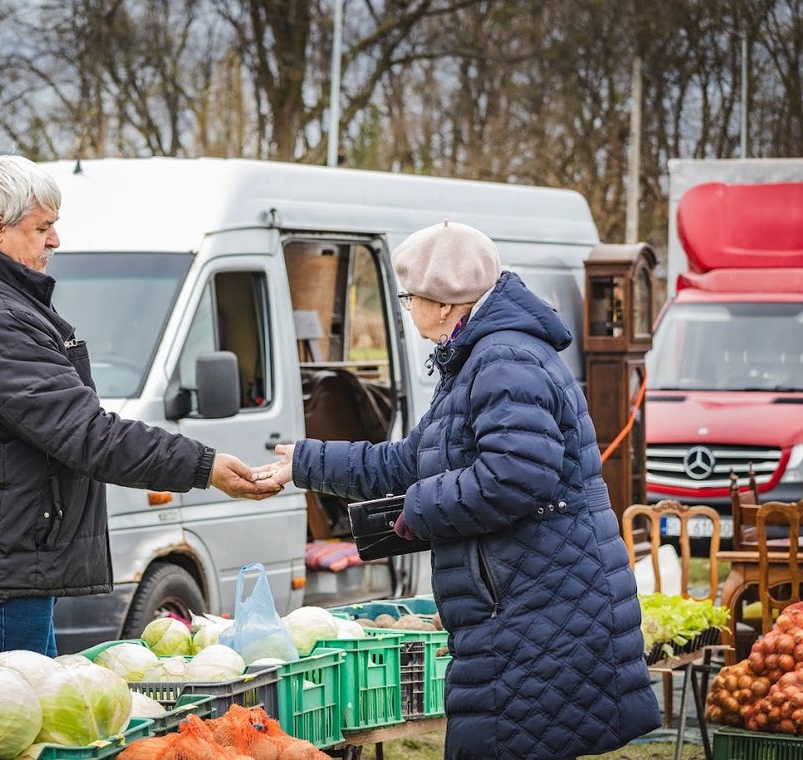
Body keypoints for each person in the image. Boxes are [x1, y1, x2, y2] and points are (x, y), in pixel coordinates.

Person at [255, 222, 661, 759]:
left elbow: (514, 477)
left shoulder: (503, 360)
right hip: (522, 607)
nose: (407, 309)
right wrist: (305, 462)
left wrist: (418, 509)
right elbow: (411, 460)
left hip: (539, 613)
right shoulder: (478, 360)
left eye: (409, 298)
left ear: (444, 304)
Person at [0, 154, 279, 663]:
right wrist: (204, 467)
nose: (55, 240)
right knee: (20, 706)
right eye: (42, 228)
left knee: (19, 701)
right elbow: (88, 434)